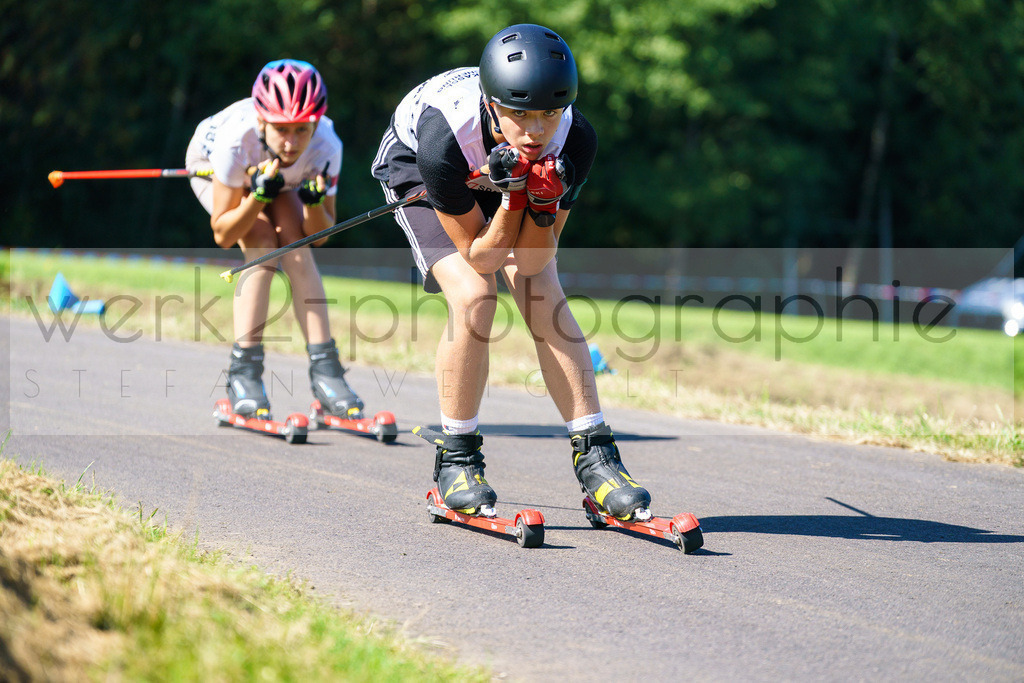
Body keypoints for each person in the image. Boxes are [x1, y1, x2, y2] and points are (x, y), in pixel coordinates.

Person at [372, 24, 652, 520]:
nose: (537, 131)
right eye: (520, 114)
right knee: (475, 297)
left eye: (550, 113)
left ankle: (597, 458)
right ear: (491, 103)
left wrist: (541, 204)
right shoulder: (444, 139)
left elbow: (533, 262)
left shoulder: (575, 140)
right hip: (419, 164)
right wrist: (512, 197)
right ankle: (456, 459)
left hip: (507, 180)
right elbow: (480, 257)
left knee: (544, 295)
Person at [186, 59, 363, 420]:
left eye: (302, 129)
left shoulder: (327, 145)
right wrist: (258, 198)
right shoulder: (236, 141)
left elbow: (320, 235)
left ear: (316, 123)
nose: (292, 141)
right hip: (216, 167)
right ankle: (244, 374)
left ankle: (326, 370)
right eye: (282, 129)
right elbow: (223, 233)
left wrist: (313, 205)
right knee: (263, 246)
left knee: (297, 250)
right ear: (262, 121)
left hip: (279, 179)